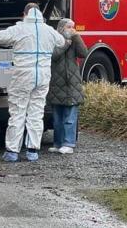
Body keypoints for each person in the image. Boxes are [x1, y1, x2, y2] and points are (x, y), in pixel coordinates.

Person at [0, 3, 65, 162]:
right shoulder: (48, 30)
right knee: (36, 113)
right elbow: (61, 41)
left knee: (18, 111)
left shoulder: (19, 29)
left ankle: (12, 151)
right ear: (39, 14)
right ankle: (32, 151)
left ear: (24, 14)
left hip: (23, 76)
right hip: (43, 76)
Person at [47, 18, 88, 154]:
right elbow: (54, 56)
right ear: (61, 28)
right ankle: (58, 143)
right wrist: (65, 44)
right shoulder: (54, 39)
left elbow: (84, 53)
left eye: (73, 27)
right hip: (56, 84)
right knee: (57, 118)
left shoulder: (74, 40)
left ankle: (69, 143)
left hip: (72, 84)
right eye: (69, 27)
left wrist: (76, 37)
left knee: (70, 117)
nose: (71, 29)